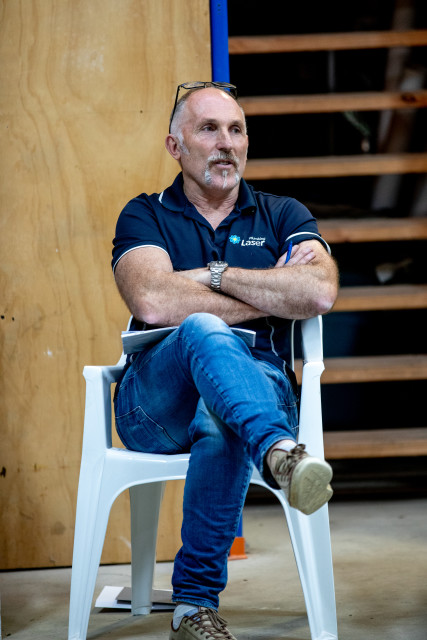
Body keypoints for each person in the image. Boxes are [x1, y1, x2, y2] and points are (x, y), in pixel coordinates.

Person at [112, 81, 339, 640]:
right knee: (201, 329)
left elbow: (317, 292)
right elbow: (153, 300)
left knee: (220, 417)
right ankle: (279, 452)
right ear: (175, 146)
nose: (226, 143)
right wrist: (269, 292)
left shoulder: (283, 213)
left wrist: (209, 277)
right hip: (156, 403)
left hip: (256, 387)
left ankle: (193, 607)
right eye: (209, 129)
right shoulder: (144, 214)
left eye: (236, 130)